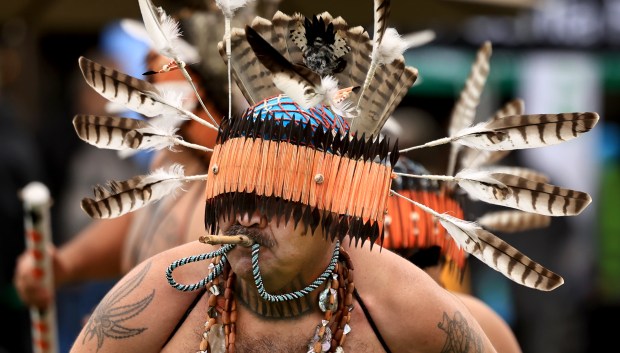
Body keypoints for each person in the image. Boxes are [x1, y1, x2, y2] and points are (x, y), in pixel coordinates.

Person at [12, 0, 271, 315]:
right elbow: (145, 221)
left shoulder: (255, 194)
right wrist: (66, 264)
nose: (156, 93)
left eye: (173, 79)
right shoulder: (175, 154)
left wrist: (113, 335)